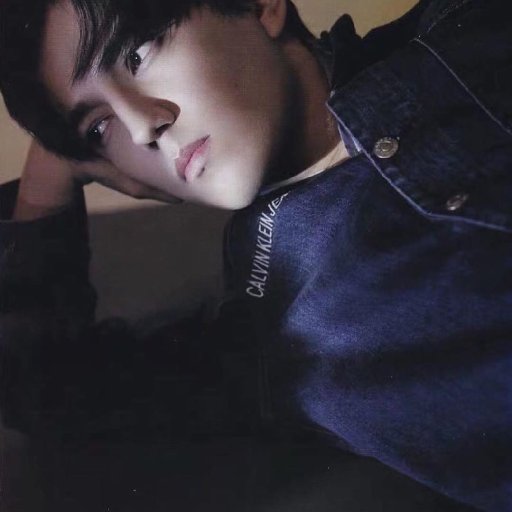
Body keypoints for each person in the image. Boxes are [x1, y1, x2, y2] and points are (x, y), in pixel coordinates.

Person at [0, 0, 511, 510]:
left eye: (137, 55)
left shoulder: (468, 30)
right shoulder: (261, 335)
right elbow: (45, 386)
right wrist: (49, 175)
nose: (140, 128)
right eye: (99, 128)